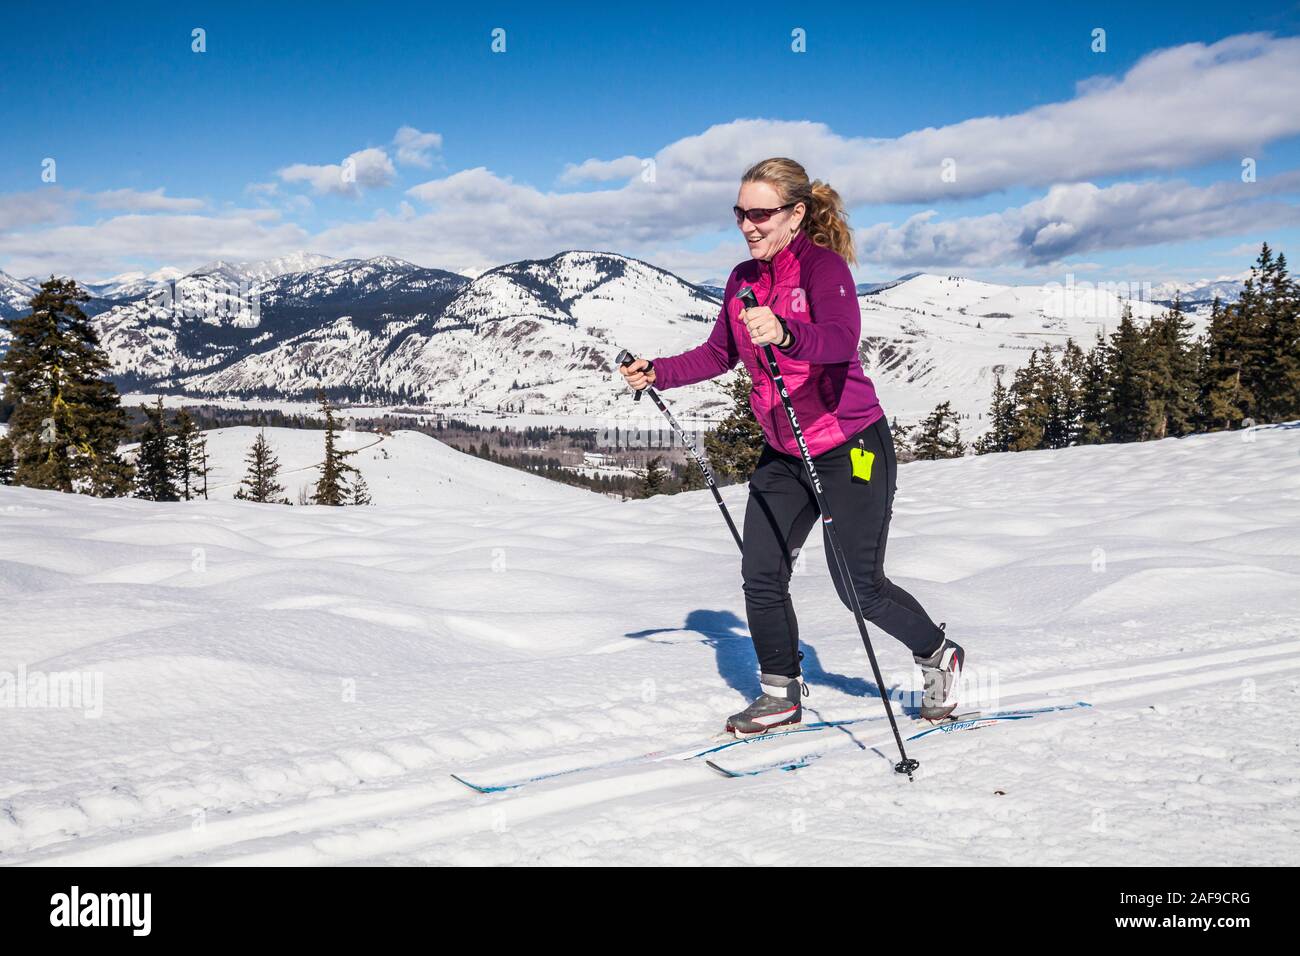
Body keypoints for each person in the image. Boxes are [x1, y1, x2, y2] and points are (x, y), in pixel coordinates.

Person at [619, 157, 964, 735]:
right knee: (761, 573)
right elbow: (718, 354)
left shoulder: (823, 268)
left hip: (850, 446)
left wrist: (785, 331)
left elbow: (839, 339)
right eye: (740, 214)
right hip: (784, 452)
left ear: (795, 213)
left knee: (860, 588)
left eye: (760, 213)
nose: (748, 226)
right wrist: (657, 371)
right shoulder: (741, 279)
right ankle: (780, 692)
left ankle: (936, 653)